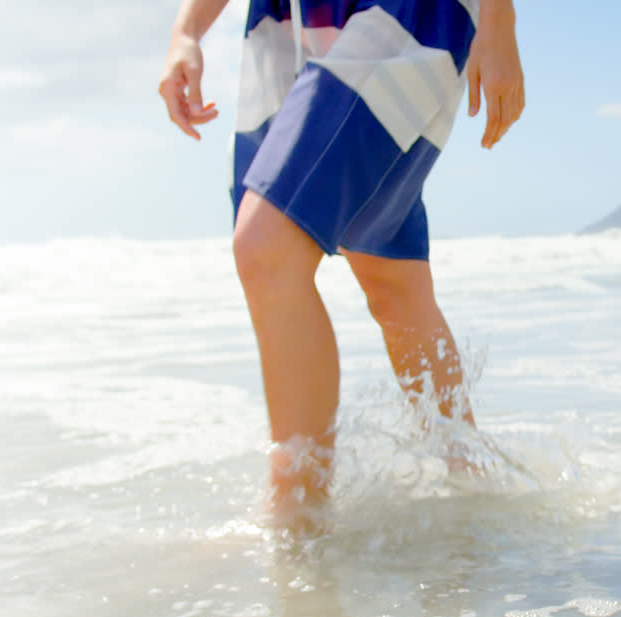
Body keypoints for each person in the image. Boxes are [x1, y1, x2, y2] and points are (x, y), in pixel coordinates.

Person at [159, 0, 524, 528]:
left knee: (265, 247)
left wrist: (500, 21)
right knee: (388, 274)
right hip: (288, 24)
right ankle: (474, 484)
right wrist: (186, 31)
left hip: (405, 10)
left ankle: (296, 513)